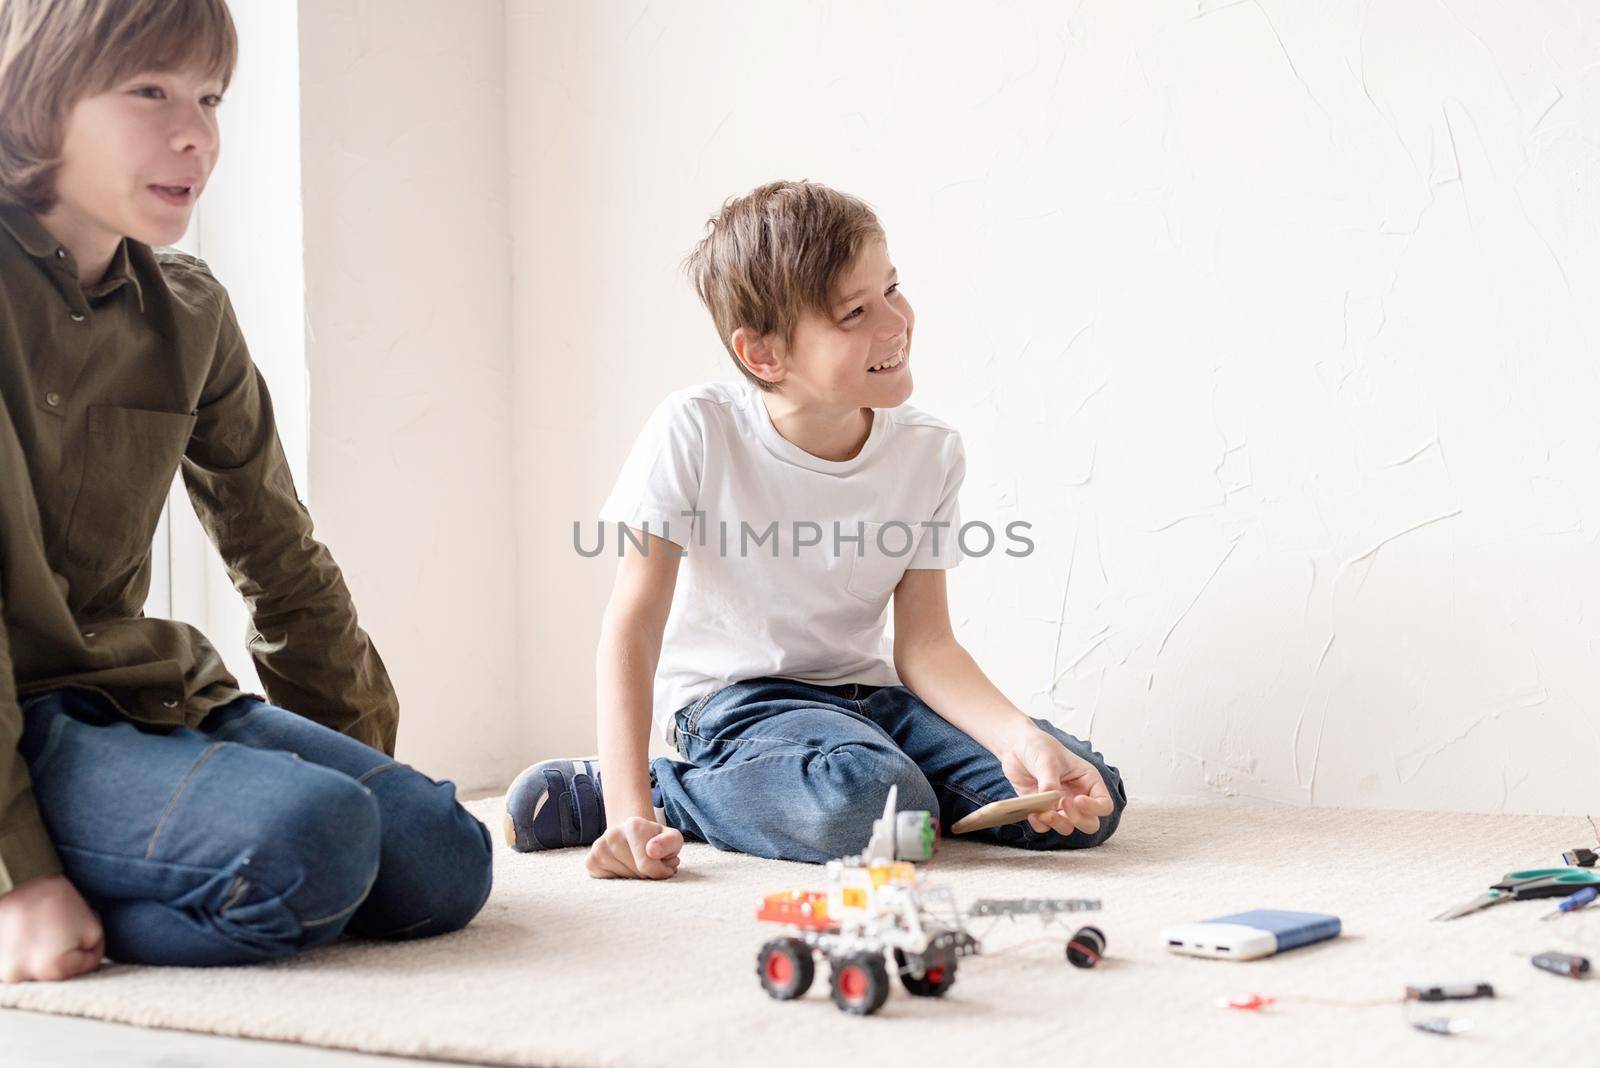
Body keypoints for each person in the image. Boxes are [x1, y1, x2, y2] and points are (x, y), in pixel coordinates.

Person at [0, 0, 491, 982]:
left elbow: (276, 553)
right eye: (150, 91)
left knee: (440, 854)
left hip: (146, 693)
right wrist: (19, 869)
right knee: (313, 843)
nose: (196, 134)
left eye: (211, 97)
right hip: (26, 719)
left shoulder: (190, 311)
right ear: (39, 94)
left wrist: (362, 768)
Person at [506, 179, 1126, 879]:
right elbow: (633, 627)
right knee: (872, 802)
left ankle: (876, 800)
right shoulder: (697, 429)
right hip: (735, 704)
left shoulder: (929, 451)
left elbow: (926, 645)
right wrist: (628, 816)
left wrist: (1018, 737)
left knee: (1086, 795)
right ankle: (662, 792)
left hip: (870, 703)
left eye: (892, 289)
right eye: (856, 311)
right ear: (764, 355)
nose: (894, 323)